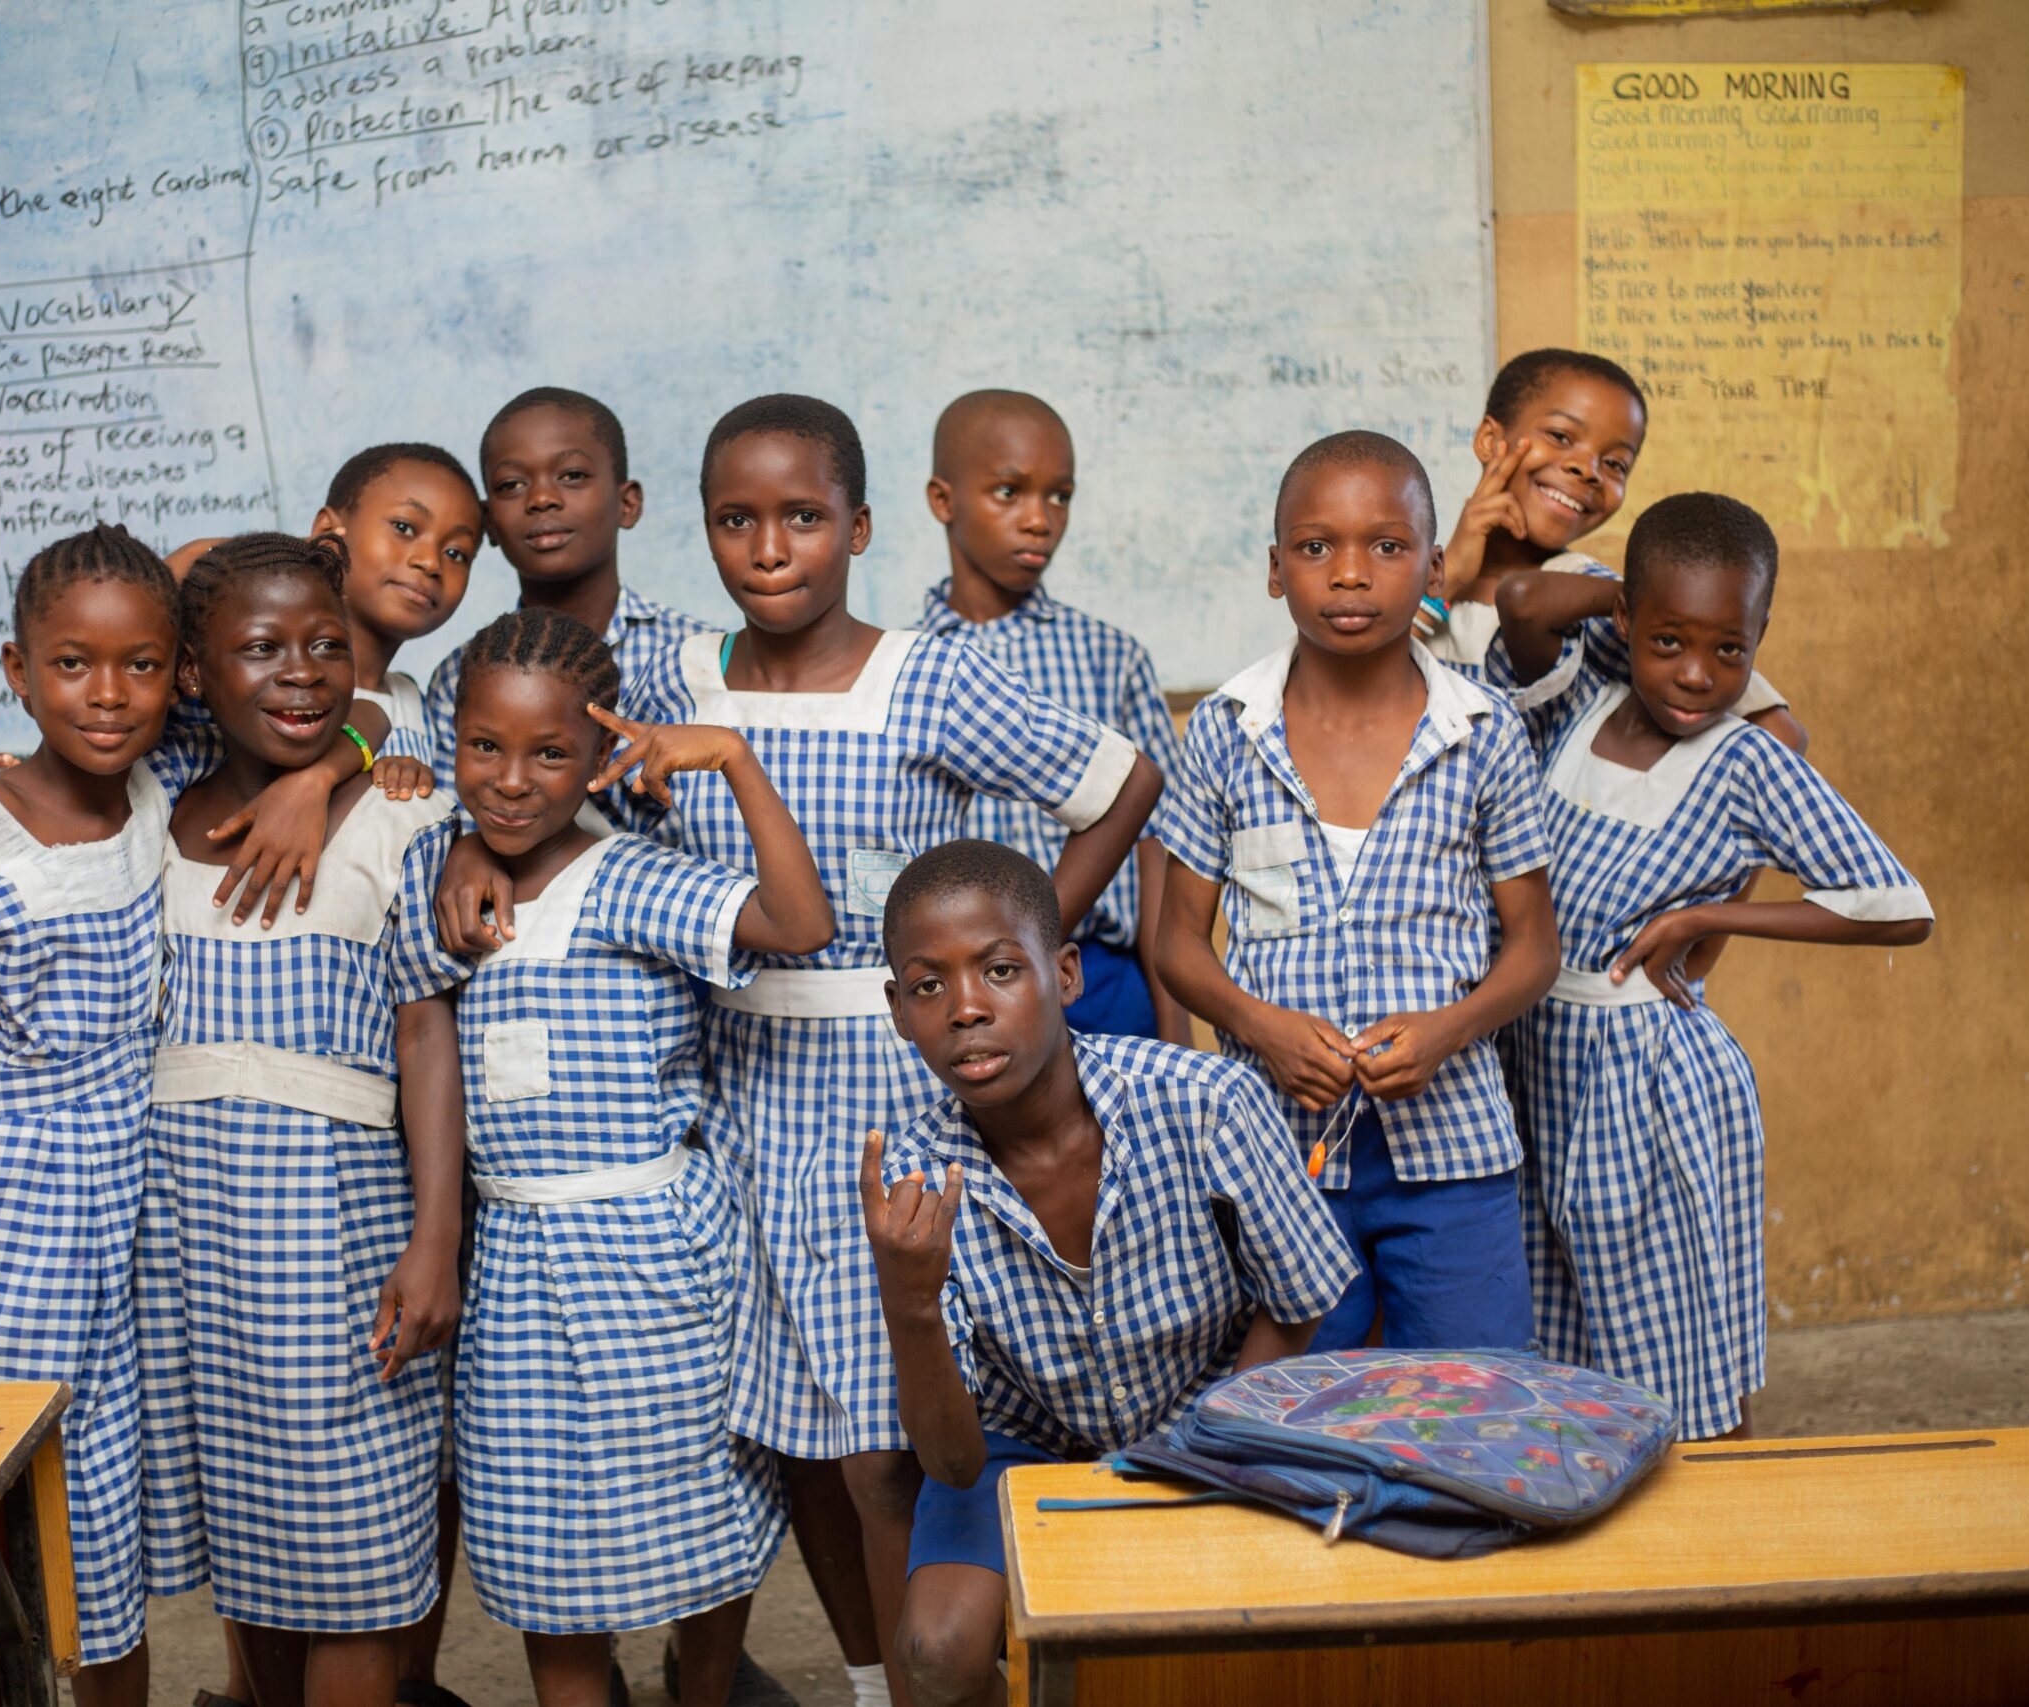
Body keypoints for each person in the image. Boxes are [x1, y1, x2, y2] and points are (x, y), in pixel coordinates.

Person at [448, 394, 1160, 1707]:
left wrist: (1008, 957)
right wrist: (456, 843)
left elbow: (1121, 783)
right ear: (703, 527)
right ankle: (873, 1680)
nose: (769, 548)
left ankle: (933, 1682)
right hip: (728, 1093)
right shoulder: (669, 676)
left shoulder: (928, 677)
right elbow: (524, 767)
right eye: (737, 519)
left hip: (885, 1091)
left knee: (886, 1445)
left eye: (803, 518)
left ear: (861, 527)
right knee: (796, 1434)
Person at [0, 524, 356, 1705]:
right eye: (71, 665)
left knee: (94, 1540)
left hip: (119, 1214)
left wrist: (324, 774)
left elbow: (334, 709)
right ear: (18, 672)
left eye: (140, 664)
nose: (108, 695)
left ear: (176, 673)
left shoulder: (162, 770)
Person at [439, 607, 832, 1706]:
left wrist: (736, 759)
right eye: (484, 747)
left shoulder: (630, 878)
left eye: (550, 753)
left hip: (654, 1253)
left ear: (600, 758)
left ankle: (701, 1685)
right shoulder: (445, 873)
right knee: (537, 1526)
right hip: (517, 1262)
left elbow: (799, 924)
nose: (511, 780)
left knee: (698, 1498)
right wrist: (455, 839)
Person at [864, 839, 1355, 1707]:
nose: (967, 1008)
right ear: (899, 1011)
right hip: (1022, 1438)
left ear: (1066, 974)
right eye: (929, 986)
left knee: (1255, 1620)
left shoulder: (1205, 1102)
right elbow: (953, 1461)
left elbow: (1299, 1300)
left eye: (1000, 970)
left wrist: (1211, 1452)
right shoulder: (912, 1180)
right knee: (936, 1653)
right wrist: (910, 1300)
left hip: (1208, 1412)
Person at [1487, 493, 1933, 1438]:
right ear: (1624, 620)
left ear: (1759, 641)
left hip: (1646, 1084)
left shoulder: (1748, 763)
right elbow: (1522, 601)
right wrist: (1624, 593)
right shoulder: (1581, 698)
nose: (1696, 674)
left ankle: (1723, 1517)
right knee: (1559, 1342)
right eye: (1669, 640)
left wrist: (1706, 914)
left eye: (1730, 649)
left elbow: (1896, 906)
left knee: (1670, 1356)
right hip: (1535, 1064)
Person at [133, 533, 469, 1707]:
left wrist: (435, 1242)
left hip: (336, 1237)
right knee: (252, 1553)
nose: (301, 672)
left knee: (356, 1560)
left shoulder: (399, 815)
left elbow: (426, 1036)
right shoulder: (151, 809)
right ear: (193, 674)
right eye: (260, 647)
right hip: (185, 1242)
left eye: (327, 645)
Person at [1155, 431, 1557, 1357]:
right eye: (1315, 546)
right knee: (1296, 1408)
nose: (1349, 574)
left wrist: (1449, 1029)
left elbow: (1535, 947)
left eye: (1385, 545)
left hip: (1454, 1152)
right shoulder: (1225, 732)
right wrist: (1262, 1027)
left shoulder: (1484, 733)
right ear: (1275, 570)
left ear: (1434, 568)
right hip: (1278, 1156)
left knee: (1468, 1400)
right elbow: (1178, 943)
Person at [914, 389, 1192, 1042]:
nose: (1040, 519)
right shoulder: (907, 668)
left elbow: (1157, 850)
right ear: (943, 500)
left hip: (1103, 982)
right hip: (964, 992)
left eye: (1059, 496)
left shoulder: (1109, 656)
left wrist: (1173, 1021)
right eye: (1009, 492)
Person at [1419, 348, 1806, 751]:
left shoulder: (1591, 598)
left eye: (1615, 464)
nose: (1588, 470)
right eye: (1560, 436)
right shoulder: (1409, 582)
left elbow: (1781, 734)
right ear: (1489, 441)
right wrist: (1450, 577)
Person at [420, 387, 716, 785]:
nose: (542, 498)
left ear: (627, 504)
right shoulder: (459, 677)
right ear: (489, 523)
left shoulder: (696, 657)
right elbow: (454, 816)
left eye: (572, 476)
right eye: (511, 484)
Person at [314, 443, 484, 761]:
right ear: (329, 532)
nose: (430, 563)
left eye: (455, 553)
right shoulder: (277, 682)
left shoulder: (417, 708)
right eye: (404, 528)